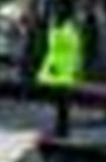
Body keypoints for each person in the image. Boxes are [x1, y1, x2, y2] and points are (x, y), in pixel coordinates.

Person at [36, 10, 85, 139]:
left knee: (59, 103)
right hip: (66, 71)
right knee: (63, 103)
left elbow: (52, 50)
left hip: (58, 71)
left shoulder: (57, 33)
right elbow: (76, 53)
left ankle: (60, 130)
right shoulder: (72, 34)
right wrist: (77, 70)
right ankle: (62, 130)